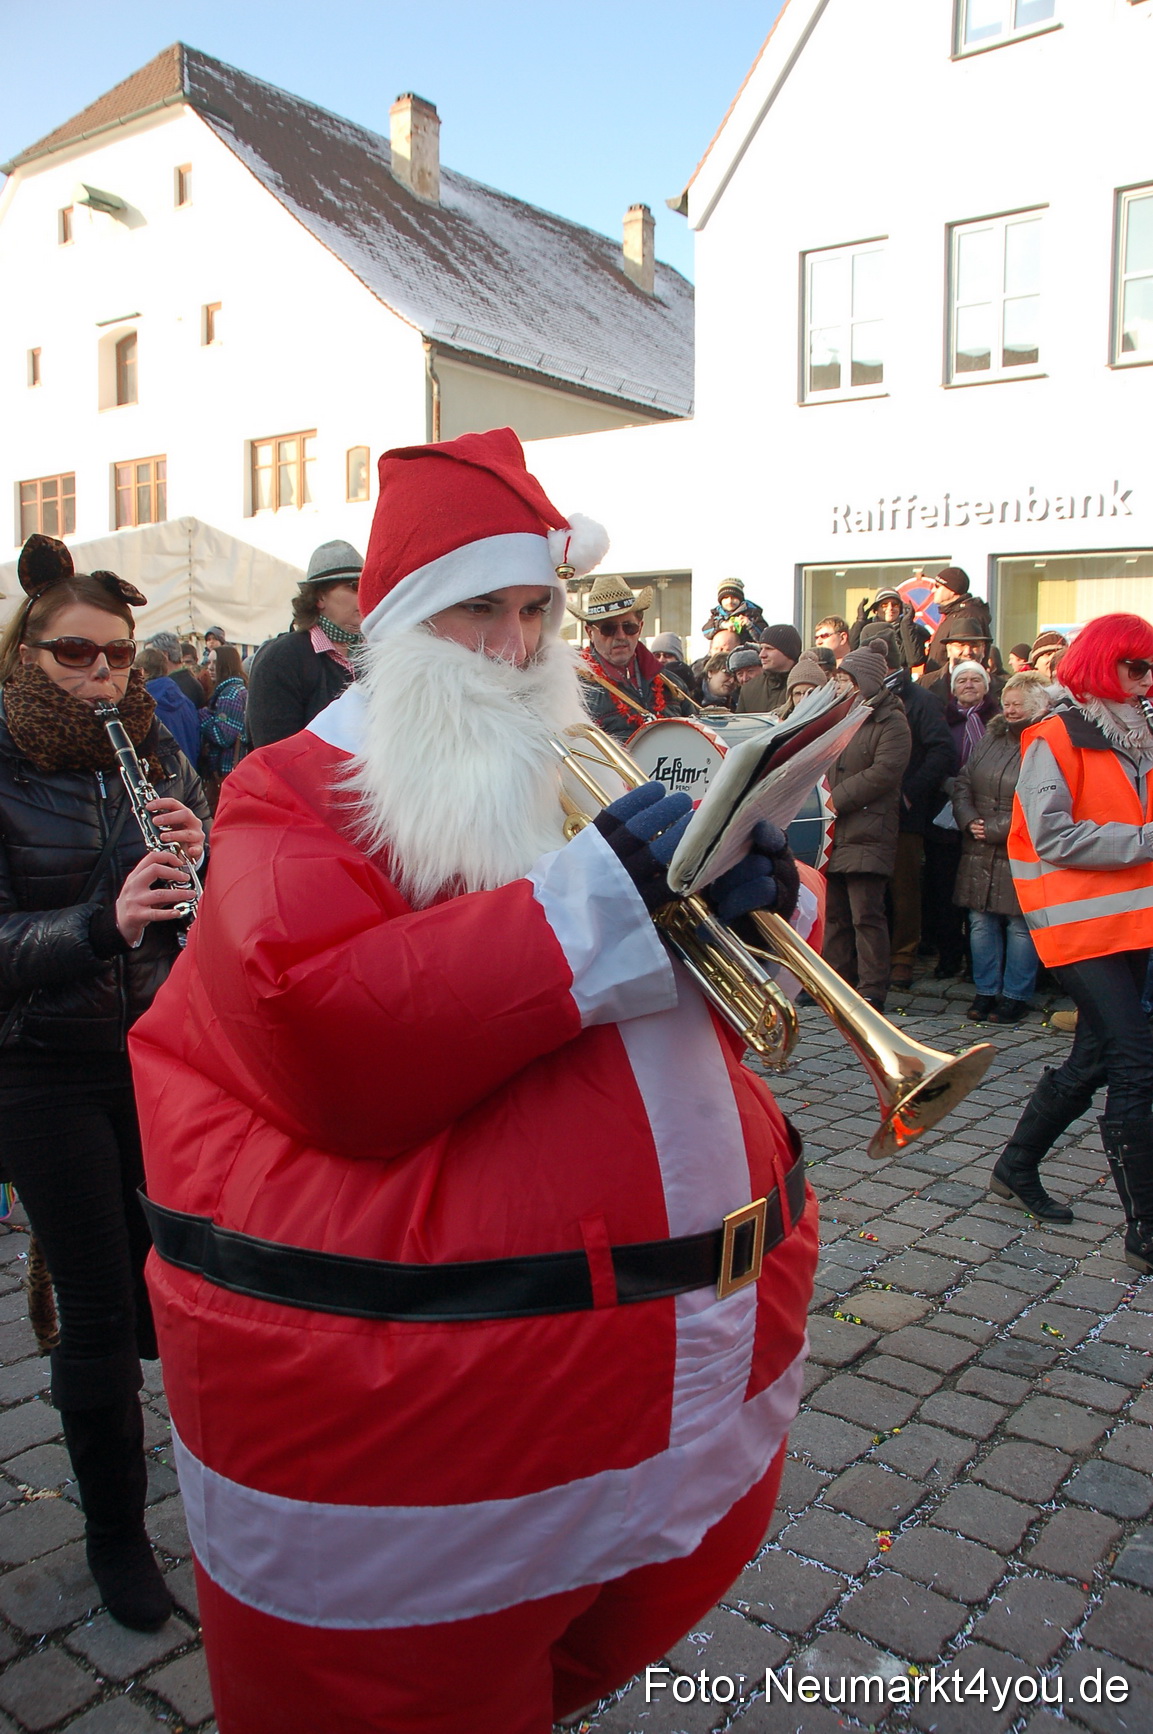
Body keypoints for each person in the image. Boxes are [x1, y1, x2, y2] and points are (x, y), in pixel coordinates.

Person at [130, 427, 818, 1734]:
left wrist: (763, 901)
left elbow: (709, 1016)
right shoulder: (291, 788)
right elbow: (320, 1029)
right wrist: (605, 898)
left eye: (531, 610)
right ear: (393, 626)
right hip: (422, 1417)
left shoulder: (580, 759)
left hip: (650, 1379)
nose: (512, 648)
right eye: (473, 615)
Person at [0, 534, 209, 1632]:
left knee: (167, 1276)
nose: (103, 677)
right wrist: (97, 922)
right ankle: (117, 1541)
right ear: (25, 652)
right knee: (96, 1304)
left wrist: (202, 855)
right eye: (76, 655)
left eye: (119, 657)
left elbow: (201, 907)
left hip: (152, 1052)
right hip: (38, 1067)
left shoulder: (157, 753)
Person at [996, 613, 1153, 1261]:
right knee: (1135, 1064)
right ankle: (1143, 1228)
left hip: (1129, 924)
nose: (1146, 679)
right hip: (1076, 928)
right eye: (1136, 666)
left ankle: (1014, 1166)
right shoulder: (1054, 736)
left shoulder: (1139, 737)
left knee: (1092, 1061)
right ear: (1101, 665)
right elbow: (1053, 835)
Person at [859, 628, 956, 991]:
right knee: (869, 889)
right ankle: (871, 959)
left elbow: (942, 752)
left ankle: (903, 957)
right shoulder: (861, 699)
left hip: (904, 812)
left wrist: (909, 794)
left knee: (904, 889)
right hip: (867, 809)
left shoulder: (921, 700)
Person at [952, 672, 1051, 1024]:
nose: (1010, 710)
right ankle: (985, 991)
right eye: (1007, 703)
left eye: (1018, 704)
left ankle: (1015, 995)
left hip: (1019, 846)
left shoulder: (1045, 742)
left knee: (1019, 923)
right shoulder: (991, 738)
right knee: (980, 921)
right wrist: (967, 818)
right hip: (978, 843)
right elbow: (964, 780)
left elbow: (1041, 797)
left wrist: (994, 828)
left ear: (1037, 706)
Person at [821, 647, 912, 1011]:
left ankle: (873, 987)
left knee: (866, 914)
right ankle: (836, 980)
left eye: (849, 679)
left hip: (868, 829)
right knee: (836, 914)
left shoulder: (891, 721)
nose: (842, 684)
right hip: (836, 829)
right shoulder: (840, 715)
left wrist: (833, 799)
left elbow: (885, 772)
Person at [246, 542, 365, 748]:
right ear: (319, 597)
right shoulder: (281, 658)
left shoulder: (374, 653)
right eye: (354, 586)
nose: (365, 595)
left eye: (367, 585)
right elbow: (274, 753)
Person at [924, 661, 1001, 978]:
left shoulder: (997, 721)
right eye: (962, 680)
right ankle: (949, 955)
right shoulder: (942, 720)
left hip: (988, 817)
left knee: (980, 894)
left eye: (976, 679)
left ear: (986, 686)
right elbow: (933, 755)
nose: (969, 684)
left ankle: (977, 962)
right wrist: (949, 784)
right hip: (944, 816)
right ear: (952, 688)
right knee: (944, 891)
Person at [572, 573, 693, 740]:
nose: (621, 636)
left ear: (640, 627)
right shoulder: (575, 691)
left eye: (629, 627)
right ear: (590, 632)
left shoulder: (672, 685)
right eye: (609, 628)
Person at [198, 644, 249, 811]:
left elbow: (223, 736)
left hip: (227, 770)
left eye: (215, 663)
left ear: (226, 664)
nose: (210, 668)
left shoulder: (230, 693)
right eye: (209, 662)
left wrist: (203, 715)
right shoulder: (234, 689)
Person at [137, 645, 200, 767]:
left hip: (164, 777)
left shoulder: (144, 707)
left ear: (142, 671)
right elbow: (197, 742)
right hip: (189, 773)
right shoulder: (186, 702)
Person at [923, 569, 993, 672]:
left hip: (956, 684)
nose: (933, 590)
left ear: (952, 590)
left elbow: (970, 658)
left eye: (937, 586)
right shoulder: (953, 614)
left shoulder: (968, 615)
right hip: (939, 682)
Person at [849, 588, 928, 669]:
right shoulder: (866, 628)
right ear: (876, 610)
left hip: (899, 679)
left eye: (895, 605)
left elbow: (914, 660)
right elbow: (850, 650)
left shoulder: (909, 628)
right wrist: (860, 621)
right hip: (871, 677)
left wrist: (907, 625)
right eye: (884, 605)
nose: (890, 608)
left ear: (901, 609)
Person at [736, 625, 802, 714]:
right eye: (761, 648)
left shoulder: (805, 685)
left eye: (769, 649)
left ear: (788, 651)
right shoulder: (749, 689)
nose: (762, 655)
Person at [147, 631, 204, 708]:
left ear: (164, 655)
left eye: (150, 655)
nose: (147, 660)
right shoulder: (187, 679)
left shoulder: (172, 687)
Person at [700, 579, 766, 642]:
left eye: (734, 597)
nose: (730, 601)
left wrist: (750, 625)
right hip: (722, 651)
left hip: (746, 650)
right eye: (726, 598)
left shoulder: (752, 613)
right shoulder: (717, 614)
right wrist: (722, 625)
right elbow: (706, 631)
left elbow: (764, 638)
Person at [648, 632, 694, 696]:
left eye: (667, 655)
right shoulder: (645, 683)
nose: (661, 660)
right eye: (657, 655)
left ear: (678, 658)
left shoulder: (688, 682)